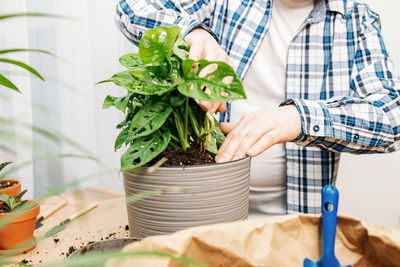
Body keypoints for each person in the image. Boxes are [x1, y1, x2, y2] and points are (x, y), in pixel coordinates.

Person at [115, 0, 400, 217]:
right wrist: (192, 32)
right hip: (201, 213)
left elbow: (392, 114)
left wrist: (297, 119)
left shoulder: (354, 18)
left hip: (294, 226)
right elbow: (133, 6)